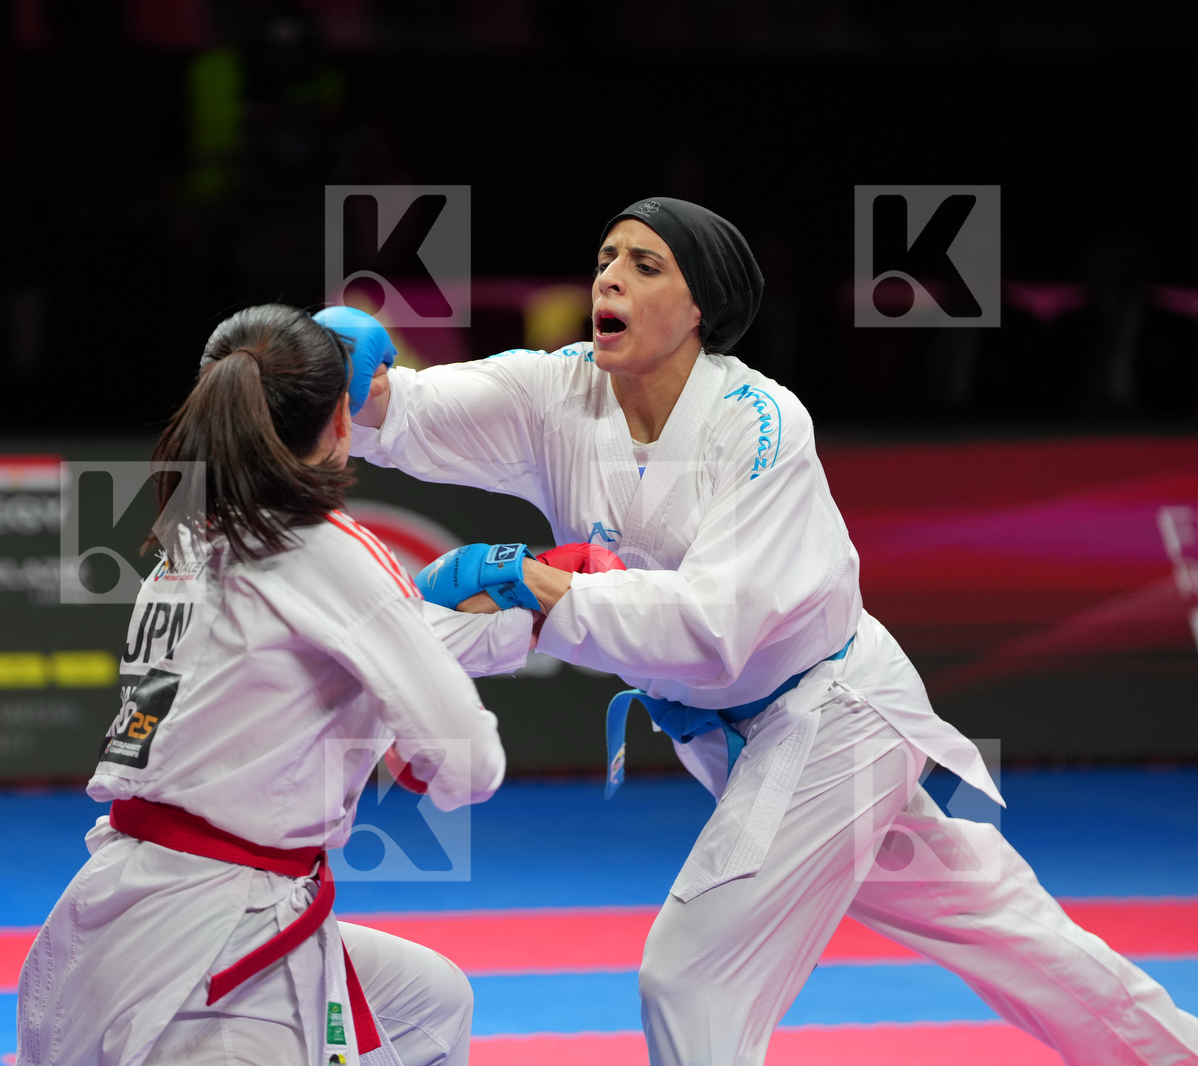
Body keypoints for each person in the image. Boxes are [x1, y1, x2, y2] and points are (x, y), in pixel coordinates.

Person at [340, 199, 1198, 1065]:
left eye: (647, 265)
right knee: (1008, 933)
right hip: (740, 735)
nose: (611, 276)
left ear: (700, 307)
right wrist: (347, 378)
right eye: (606, 257)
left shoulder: (762, 424)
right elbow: (405, 409)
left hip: (828, 719)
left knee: (692, 978)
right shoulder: (557, 391)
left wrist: (536, 585)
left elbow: (717, 631)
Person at [17, 304, 527, 1066]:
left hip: (115, 908)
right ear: (343, 423)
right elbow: (467, 762)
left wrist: (531, 619)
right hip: (219, 941)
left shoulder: (186, 542)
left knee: (428, 1002)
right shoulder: (326, 546)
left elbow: (293, 673)